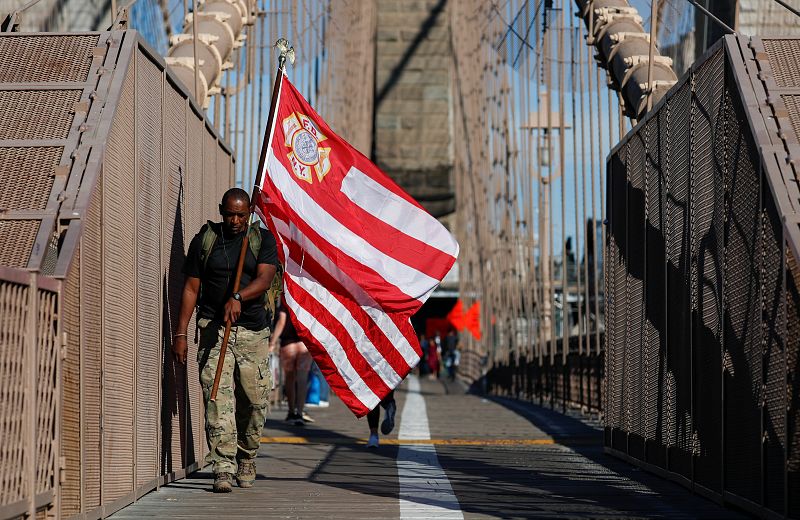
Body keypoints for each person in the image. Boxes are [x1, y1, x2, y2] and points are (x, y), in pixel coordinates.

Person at [173, 188, 278, 493]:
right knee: (217, 398)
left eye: (241, 215)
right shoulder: (205, 240)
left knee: (254, 402)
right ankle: (223, 466)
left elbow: (264, 279)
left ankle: (247, 455)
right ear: (221, 210)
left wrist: (238, 296)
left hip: (252, 332)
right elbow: (191, 289)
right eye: (229, 214)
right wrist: (180, 333)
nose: (234, 220)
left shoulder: (261, 240)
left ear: (248, 214)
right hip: (214, 329)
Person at [270, 300, 313, 426]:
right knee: (302, 378)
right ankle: (299, 412)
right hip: (304, 343)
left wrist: (273, 341)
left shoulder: (286, 300)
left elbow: (282, 321)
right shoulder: (306, 300)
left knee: (289, 377)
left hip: (288, 344)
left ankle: (291, 411)